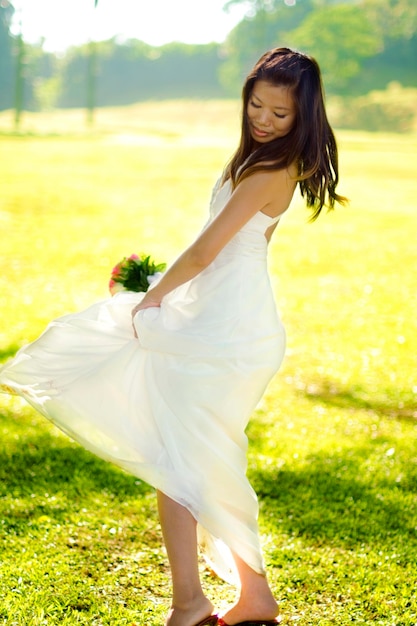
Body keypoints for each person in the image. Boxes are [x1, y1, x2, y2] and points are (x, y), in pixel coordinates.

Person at [0, 47, 346, 626]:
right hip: (218, 321)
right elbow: (224, 253)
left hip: (225, 335)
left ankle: (195, 603)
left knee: (186, 463)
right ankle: (228, 599)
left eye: (280, 115)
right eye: (256, 104)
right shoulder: (260, 161)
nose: (263, 119)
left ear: (304, 118)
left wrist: (153, 298)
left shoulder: (269, 169)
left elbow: (209, 250)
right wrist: (165, 288)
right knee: (189, 462)